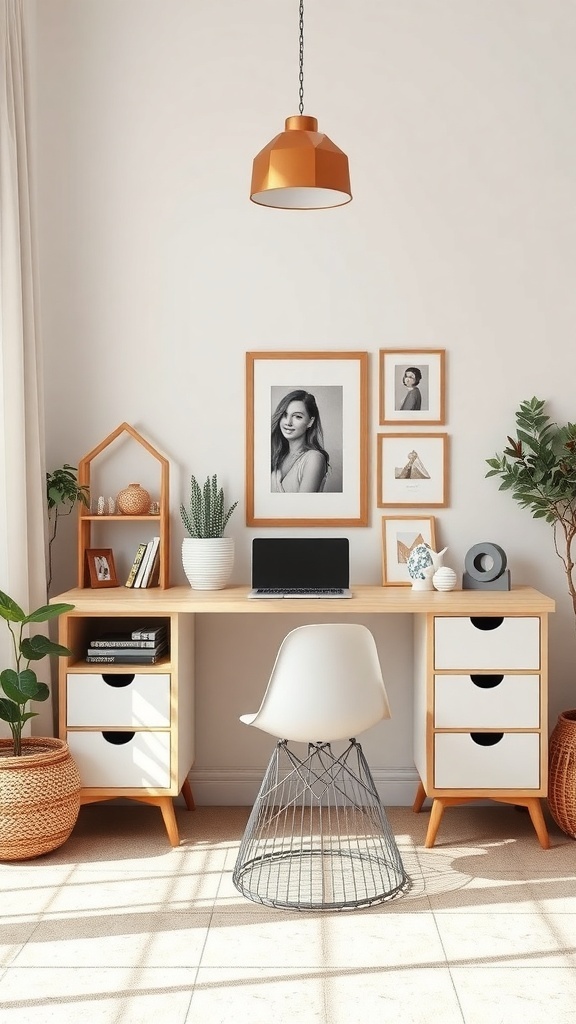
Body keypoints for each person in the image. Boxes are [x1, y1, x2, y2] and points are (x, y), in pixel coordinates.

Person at [271, 389, 329, 492]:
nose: (288, 422)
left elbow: (303, 506)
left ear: (310, 422)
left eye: (297, 416)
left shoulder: (313, 458)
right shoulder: (277, 455)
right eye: (284, 415)